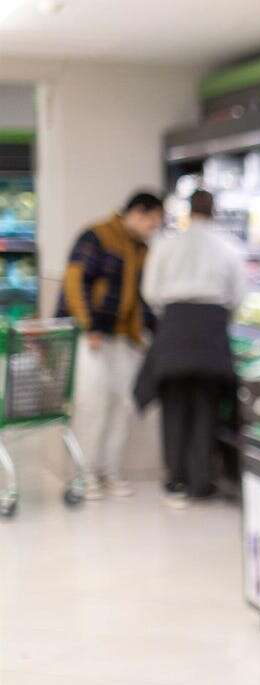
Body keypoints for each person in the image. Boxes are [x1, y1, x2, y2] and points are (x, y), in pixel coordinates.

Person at [136, 189, 246, 508]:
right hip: (212, 328)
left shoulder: (167, 244)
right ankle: (202, 482)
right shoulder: (228, 246)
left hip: (174, 325)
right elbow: (238, 294)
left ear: (189, 210)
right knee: (206, 407)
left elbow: (151, 291)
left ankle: (176, 480)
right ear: (214, 211)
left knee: (174, 406)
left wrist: (171, 316)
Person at [58, 191, 164, 500]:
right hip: (92, 336)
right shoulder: (97, 236)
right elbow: (75, 281)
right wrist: (88, 324)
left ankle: (109, 471)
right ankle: (84, 474)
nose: (153, 229)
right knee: (92, 405)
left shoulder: (142, 249)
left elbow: (142, 297)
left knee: (122, 405)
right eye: (153, 222)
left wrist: (150, 332)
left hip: (124, 339)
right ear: (139, 213)